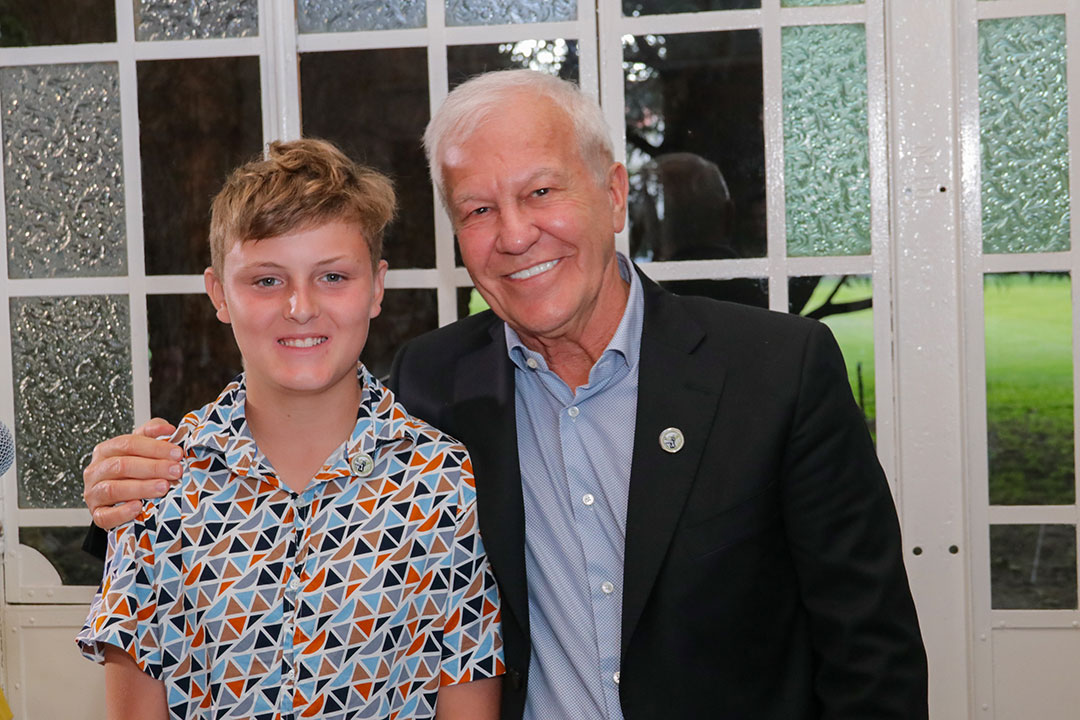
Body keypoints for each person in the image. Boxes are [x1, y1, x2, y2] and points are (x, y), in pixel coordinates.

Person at [83, 71, 927, 719]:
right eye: (479, 209)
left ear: (613, 194)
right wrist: (123, 491)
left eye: (540, 192)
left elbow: (872, 650)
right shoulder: (433, 385)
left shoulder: (776, 371)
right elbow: (293, 441)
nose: (515, 234)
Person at [76, 139, 503, 720]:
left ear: (376, 287)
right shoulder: (158, 484)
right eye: (266, 281)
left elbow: (467, 689)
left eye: (333, 276)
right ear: (218, 294)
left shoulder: (441, 481)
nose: (301, 307)